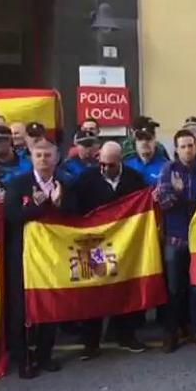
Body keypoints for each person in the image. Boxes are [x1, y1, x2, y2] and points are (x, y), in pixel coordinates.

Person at [71, 142, 150, 359]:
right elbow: (75, 209)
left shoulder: (134, 178)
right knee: (93, 289)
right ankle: (91, 342)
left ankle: (126, 335)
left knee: (125, 287)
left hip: (125, 243)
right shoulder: (87, 179)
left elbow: (144, 207)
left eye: (111, 165)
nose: (105, 169)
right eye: (102, 164)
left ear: (120, 161)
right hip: (95, 244)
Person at [3, 139, 63, 378]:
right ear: (31, 158)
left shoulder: (65, 182)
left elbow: (78, 215)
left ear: (56, 158)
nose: (43, 159)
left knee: (50, 304)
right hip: (23, 257)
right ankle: (24, 359)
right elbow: (11, 217)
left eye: (47, 155)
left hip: (52, 257)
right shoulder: (18, 185)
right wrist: (39, 207)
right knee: (21, 308)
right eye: (38, 155)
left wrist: (59, 203)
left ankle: (45, 355)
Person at [156, 130, 196, 352]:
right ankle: (171, 332)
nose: (187, 149)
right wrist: (179, 194)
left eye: (190, 145)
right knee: (174, 288)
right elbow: (163, 202)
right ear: (176, 149)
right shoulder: (168, 170)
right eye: (183, 146)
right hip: (175, 238)